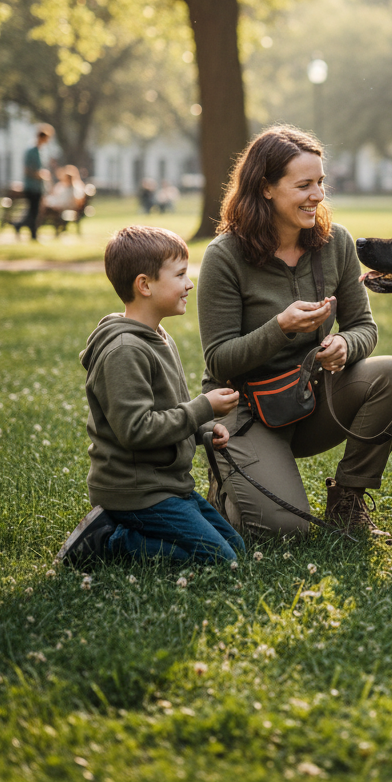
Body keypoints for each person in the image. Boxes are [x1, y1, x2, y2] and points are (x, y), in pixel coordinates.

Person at [197, 125, 392, 538]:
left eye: (321, 183)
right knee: (286, 530)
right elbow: (218, 360)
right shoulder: (224, 256)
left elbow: (364, 327)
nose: (318, 196)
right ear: (266, 188)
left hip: (310, 399)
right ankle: (225, 486)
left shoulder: (336, 243)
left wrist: (345, 344)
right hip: (246, 411)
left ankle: (348, 500)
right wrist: (279, 328)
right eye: (304, 185)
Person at [57, 225, 245, 566]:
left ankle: (126, 531)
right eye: (180, 275)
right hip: (137, 491)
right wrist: (204, 408)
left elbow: (168, 413)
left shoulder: (159, 337)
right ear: (144, 285)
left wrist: (204, 432)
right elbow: (137, 430)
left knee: (237, 548)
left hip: (170, 484)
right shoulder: (124, 351)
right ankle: (110, 540)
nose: (190, 283)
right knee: (218, 561)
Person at [14, 124, 53, 240]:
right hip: (31, 186)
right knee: (33, 211)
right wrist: (40, 175)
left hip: (39, 187)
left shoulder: (42, 151)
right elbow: (27, 170)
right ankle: (27, 230)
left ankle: (28, 231)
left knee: (34, 212)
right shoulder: (31, 151)